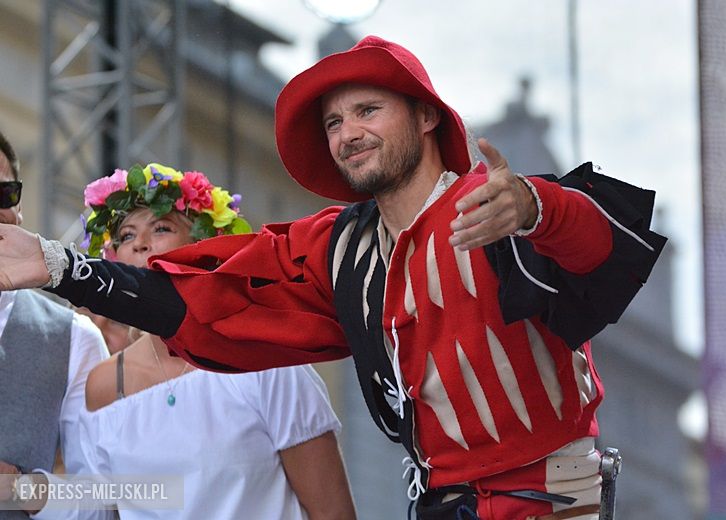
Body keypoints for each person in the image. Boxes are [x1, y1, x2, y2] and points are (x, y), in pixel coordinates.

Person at [0, 36, 667, 520]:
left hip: (552, 497)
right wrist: (62, 268)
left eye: (368, 110)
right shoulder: (337, 248)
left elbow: (603, 248)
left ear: (426, 114)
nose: (348, 133)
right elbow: (214, 298)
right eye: (334, 122)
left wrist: (536, 207)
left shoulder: (495, 206)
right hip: (441, 504)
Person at [76, 164, 356, 519]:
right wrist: (19, 489)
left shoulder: (264, 357)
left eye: (161, 228)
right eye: (126, 235)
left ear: (202, 246)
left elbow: (332, 512)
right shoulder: (104, 385)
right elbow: (94, 508)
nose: (141, 243)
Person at [0, 130, 109, 518]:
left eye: (3, 194)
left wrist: (20, 489)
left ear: (18, 210)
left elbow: (104, 504)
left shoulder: (74, 339)